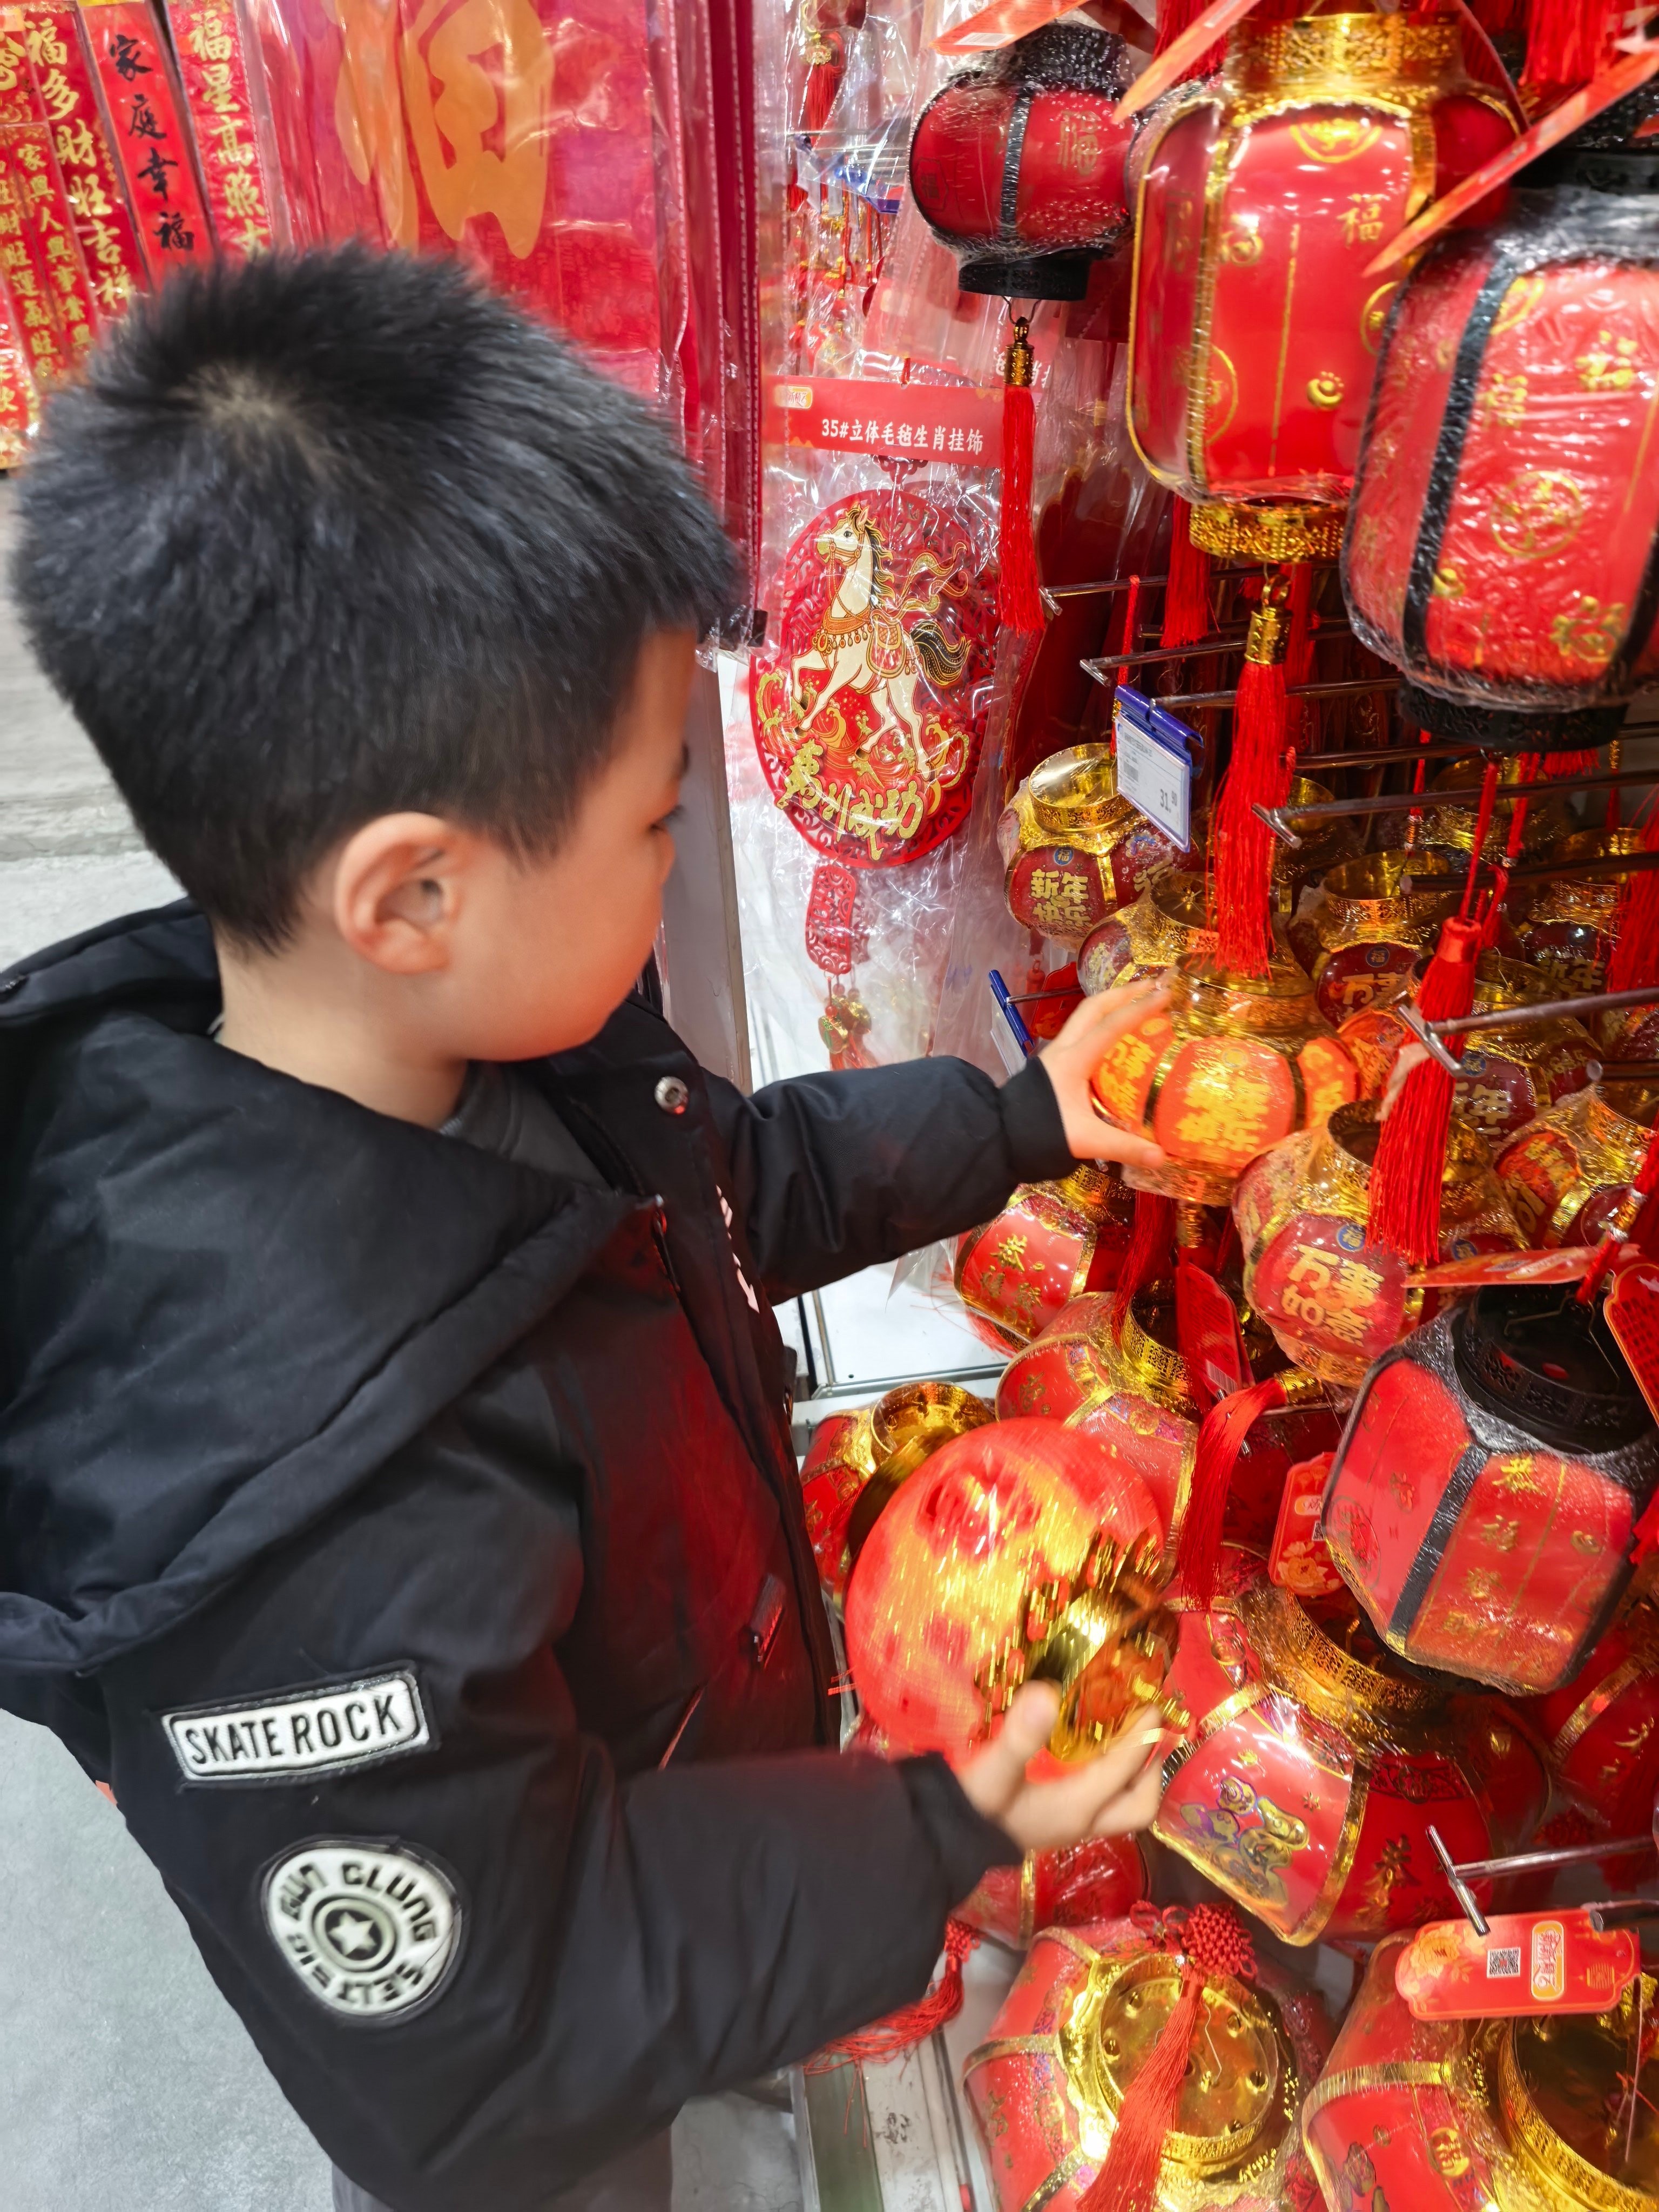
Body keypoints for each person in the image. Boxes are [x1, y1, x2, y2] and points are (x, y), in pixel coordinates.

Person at [0, 247, 1172, 2212]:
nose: (676, 855)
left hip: (665, 1794)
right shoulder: (303, 1526)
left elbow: (715, 1196)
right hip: (529, 2098)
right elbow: (502, 2016)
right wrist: (928, 1834)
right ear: (413, 895)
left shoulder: (504, 1052)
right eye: (655, 824)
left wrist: (1012, 1123)